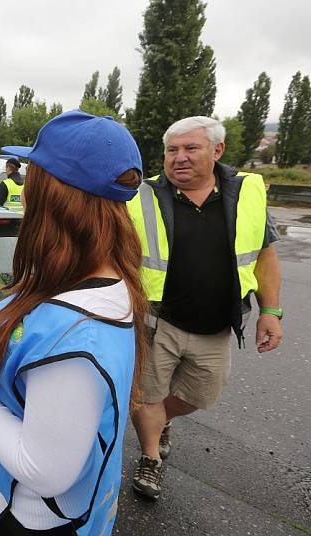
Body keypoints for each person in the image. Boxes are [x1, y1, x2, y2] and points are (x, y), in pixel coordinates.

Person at [0, 111, 150, 534]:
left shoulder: (78, 334)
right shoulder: (89, 281)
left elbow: (44, 470)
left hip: (21, 522)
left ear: (53, 198)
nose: (23, 189)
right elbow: (33, 351)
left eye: (32, 175)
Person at [127, 116, 282, 501]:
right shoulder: (141, 196)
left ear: (217, 150)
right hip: (156, 320)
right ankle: (150, 458)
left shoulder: (248, 192)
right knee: (144, 396)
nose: (179, 158)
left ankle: (160, 422)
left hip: (216, 325)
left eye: (190, 148)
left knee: (199, 396)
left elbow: (264, 256)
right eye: (171, 150)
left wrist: (271, 312)